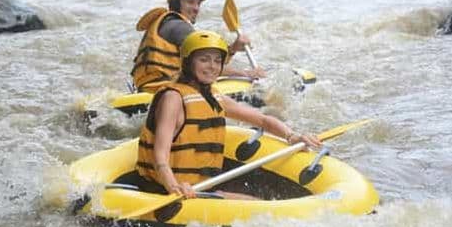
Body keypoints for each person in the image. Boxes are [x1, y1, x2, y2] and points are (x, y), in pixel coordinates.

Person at [136, 30, 322, 199]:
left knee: (258, 198)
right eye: (204, 60)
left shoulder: (213, 96)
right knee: (254, 203)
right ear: (188, 62)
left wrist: (292, 136)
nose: (212, 66)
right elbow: (160, 156)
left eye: (217, 61)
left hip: (200, 186)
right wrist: (173, 186)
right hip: (165, 190)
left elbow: (263, 120)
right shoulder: (173, 98)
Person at [131, 0, 266, 93]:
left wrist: (233, 48)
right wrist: (247, 74)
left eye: (198, 3)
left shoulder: (165, 22)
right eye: (190, 2)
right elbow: (208, 67)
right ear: (175, 3)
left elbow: (206, 61)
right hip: (163, 88)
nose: (196, 8)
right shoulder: (179, 27)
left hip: (149, 86)